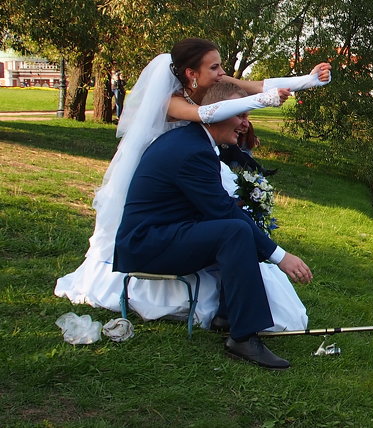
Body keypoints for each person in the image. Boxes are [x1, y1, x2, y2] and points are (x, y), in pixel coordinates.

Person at [54, 38, 330, 330]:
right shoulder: (172, 100)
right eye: (215, 67)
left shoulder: (214, 82)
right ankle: (240, 330)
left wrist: (308, 80)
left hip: (193, 160)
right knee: (227, 223)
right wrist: (263, 102)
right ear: (191, 73)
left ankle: (233, 317)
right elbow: (205, 114)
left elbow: (257, 84)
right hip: (172, 166)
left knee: (226, 220)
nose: (221, 72)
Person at [114, 82, 312, 369]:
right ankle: (243, 337)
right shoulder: (192, 150)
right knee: (234, 230)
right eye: (241, 115)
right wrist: (281, 256)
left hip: (163, 234)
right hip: (146, 244)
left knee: (233, 228)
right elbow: (220, 211)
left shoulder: (192, 141)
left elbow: (212, 206)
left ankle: (227, 317)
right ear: (216, 114)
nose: (246, 124)